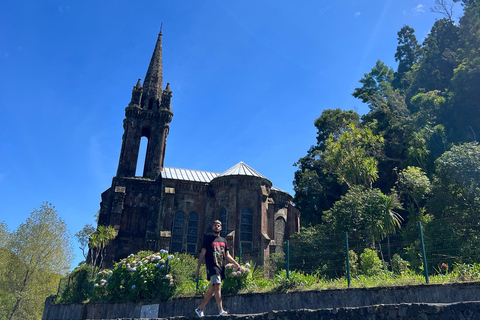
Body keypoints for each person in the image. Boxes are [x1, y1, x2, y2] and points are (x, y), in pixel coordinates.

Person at [195, 220, 240, 317]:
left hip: (220, 267)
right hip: (212, 267)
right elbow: (202, 255)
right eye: (215, 225)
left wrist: (235, 263)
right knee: (218, 286)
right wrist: (198, 268)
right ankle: (221, 310)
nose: (216, 227)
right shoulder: (208, 239)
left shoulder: (223, 240)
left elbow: (227, 255)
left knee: (212, 289)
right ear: (212, 227)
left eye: (218, 225)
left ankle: (200, 309)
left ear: (221, 228)